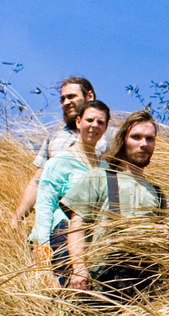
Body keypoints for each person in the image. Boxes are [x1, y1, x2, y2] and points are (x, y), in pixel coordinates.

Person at [61, 110, 167, 302]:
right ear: (123, 140)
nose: (144, 144)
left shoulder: (157, 193)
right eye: (136, 137)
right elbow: (77, 224)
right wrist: (79, 269)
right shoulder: (99, 177)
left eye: (149, 139)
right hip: (99, 284)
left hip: (143, 289)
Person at [28, 99, 110, 287]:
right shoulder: (60, 162)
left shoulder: (105, 167)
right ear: (79, 122)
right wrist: (42, 254)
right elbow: (44, 205)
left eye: (100, 122)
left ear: (105, 128)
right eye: (90, 120)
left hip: (93, 237)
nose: (94, 126)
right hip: (63, 233)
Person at [7, 76, 96, 232]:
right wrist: (16, 219)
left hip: (95, 221)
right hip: (56, 224)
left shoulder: (111, 136)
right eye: (63, 99)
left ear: (89, 96)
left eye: (71, 96)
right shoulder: (54, 137)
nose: (66, 102)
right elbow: (38, 182)